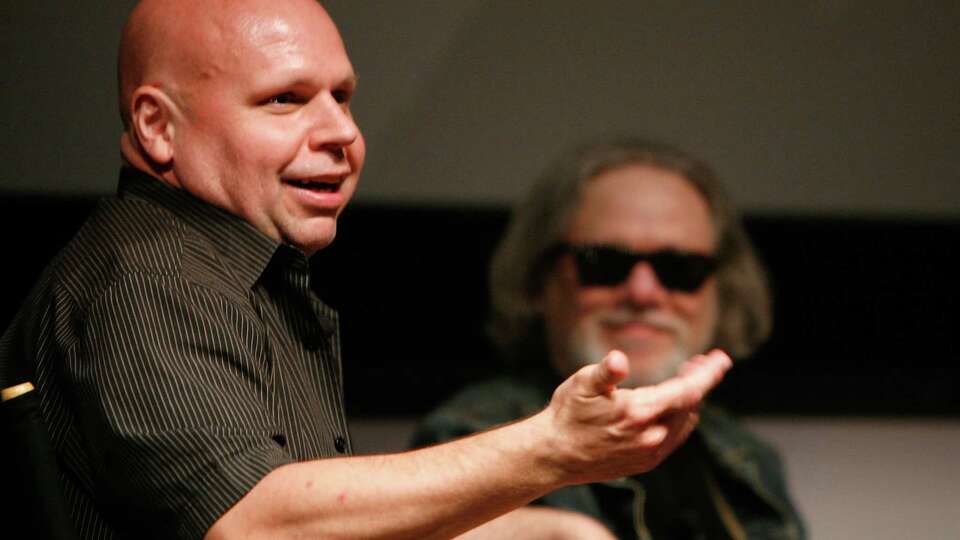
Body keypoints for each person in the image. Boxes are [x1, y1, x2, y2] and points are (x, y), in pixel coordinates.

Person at [0, 2, 735, 539]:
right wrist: (551, 450)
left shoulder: (223, 275)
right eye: (285, 100)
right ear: (159, 127)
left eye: (343, 97)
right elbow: (254, 525)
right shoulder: (150, 280)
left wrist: (548, 534)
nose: (343, 135)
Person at [412, 138, 807, 539]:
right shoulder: (469, 435)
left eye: (680, 268)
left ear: (721, 289)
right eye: (603, 263)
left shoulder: (747, 457)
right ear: (538, 280)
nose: (643, 292)